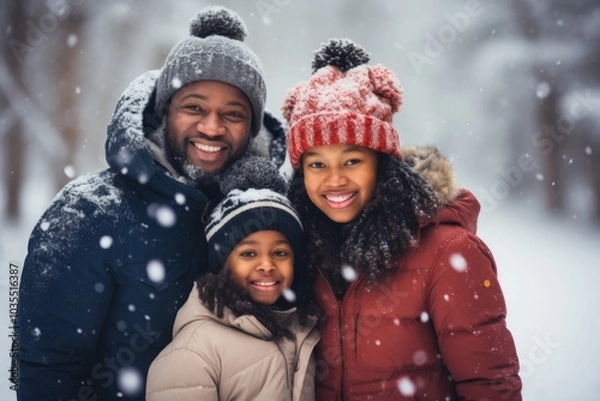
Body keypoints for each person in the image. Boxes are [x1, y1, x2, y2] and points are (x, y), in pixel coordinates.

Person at [17, 6, 286, 400]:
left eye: (233, 114)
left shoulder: (264, 213)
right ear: (165, 112)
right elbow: (47, 368)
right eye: (194, 107)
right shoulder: (89, 212)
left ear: (251, 128)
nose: (212, 127)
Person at [282, 38, 522, 400]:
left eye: (352, 161)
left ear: (383, 166)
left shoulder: (449, 254)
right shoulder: (300, 248)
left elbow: (490, 386)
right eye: (317, 164)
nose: (333, 180)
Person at [146, 185, 320, 401]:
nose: (267, 264)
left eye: (280, 252)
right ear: (221, 265)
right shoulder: (193, 353)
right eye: (249, 253)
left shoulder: (304, 333)